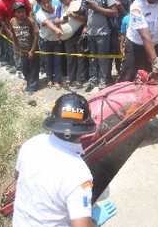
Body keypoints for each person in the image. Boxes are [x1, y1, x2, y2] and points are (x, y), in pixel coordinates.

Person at [13, 93, 116, 227]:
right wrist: (94, 222)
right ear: (84, 130)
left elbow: (18, 177)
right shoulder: (79, 174)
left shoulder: (31, 144)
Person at [84, 0, 119, 90]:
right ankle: (93, 79)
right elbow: (89, 12)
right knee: (92, 58)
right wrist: (85, 27)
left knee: (102, 58)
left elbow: (114, 12)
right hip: (91, 32)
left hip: (103, 33)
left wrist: (97, 8)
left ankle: (103, 81)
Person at [0, 0, 32, 73]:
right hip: (13, 31)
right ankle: (20, 68)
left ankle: (33, 66)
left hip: (27, 28)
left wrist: (32, 26)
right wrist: (9, 32)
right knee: (16, 50)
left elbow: (29, 12)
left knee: (31, 47)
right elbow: (2, 20)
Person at [35, 0, 64, 89]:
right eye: (43, 2)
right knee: (48, 61)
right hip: (45, 40)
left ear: (51, 0)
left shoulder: (57, 9)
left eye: (48, 1)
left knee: (58, 61)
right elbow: (47, 23)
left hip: (56, 40)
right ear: (40, 3)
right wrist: (56, 29)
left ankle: (57, 80)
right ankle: (49, 79)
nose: (46, 4)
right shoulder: (39, 14)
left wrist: (60, 22)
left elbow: (62, 19)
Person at [9, 2, 40, 93]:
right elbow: (13, 35)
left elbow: (36, 36)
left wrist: (32, 50)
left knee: (34, 68)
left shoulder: (30, 21)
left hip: (32, 49)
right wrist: (16, 48)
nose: (21, 14)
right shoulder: (12, 21)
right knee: (24, 68)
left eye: (23, 12)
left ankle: (33, 86)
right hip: (22, 50)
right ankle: (29, 82)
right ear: (15, 13)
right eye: (18, 12)